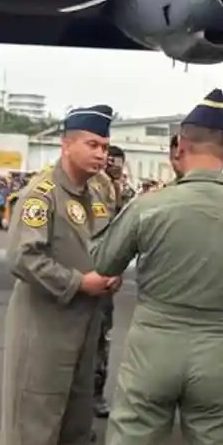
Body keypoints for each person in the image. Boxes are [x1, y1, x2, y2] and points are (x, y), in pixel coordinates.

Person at [94, 89, 223, 445]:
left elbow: (103, 262)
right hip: (220, 352)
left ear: (180, 147)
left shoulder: (150, 207)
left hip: (154, 348)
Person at [0, 105, 121, 445]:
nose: (101, 153)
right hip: (44, 329)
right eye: (92, 144)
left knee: (75, 431)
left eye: (105, 146)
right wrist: (79, 282)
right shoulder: (41, 194)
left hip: (87, 329)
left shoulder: (100, 188)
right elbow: (23, 257)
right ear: (66, 145)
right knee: (30, 437)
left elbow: (108, 239)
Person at [91, 145, 131, 419]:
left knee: (102, 338)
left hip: (106, 275)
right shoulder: (92, 186)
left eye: (117, 161)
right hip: (86, 270)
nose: (112, 164)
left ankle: (95, 394)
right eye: (110, 160)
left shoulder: (119, 190)